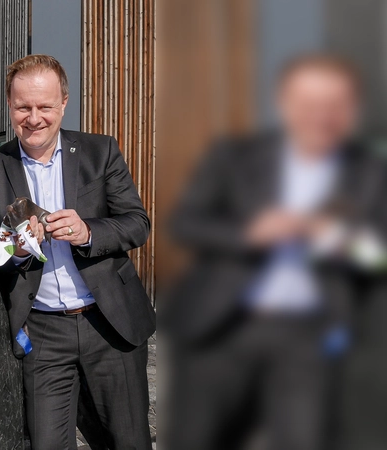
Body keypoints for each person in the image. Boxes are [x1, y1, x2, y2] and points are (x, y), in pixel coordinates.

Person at [162, 54, 387, 450]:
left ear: (352, 110)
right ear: (284, 103)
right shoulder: (234, 156)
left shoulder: (370, 173)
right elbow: (185, 223)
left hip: (310, 338)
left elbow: (380, 256)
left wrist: (338, 238)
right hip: (223, 328)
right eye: (310, 104)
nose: (322, 116)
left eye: (335, 105)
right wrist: (250, 235)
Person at [0, 55, 155, 450]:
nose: (34, 118)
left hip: (109, 324)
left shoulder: (100, 151)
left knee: (128, 441)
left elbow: (137, 222)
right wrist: (19, 243)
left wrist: (88, 230)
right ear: (9, 105)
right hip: (42, 331)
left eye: (45, 107)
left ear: (64, 104)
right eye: (23, 107)